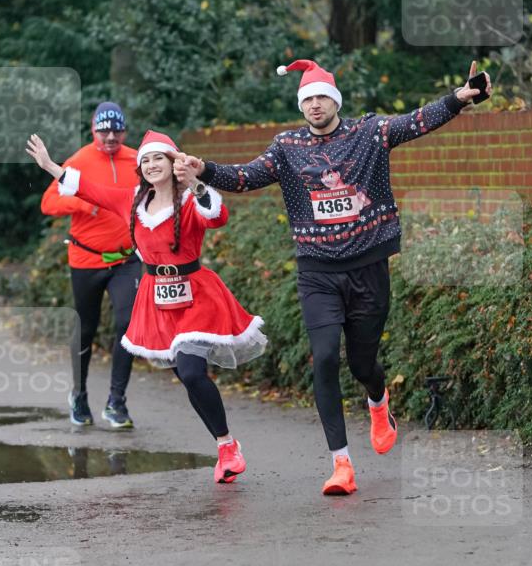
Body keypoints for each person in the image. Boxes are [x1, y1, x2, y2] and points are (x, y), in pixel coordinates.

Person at [174, 59, 492, 496]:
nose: (315, 105)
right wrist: (204, 169)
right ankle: (341, 464)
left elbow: (417, 121)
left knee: (362, 363)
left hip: (367, 267)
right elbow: (246, 177)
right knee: (323, 357)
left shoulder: (368, 133)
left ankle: (378, 404)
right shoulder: (287, 148)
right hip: (317, 272)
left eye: (322, 97)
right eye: (307, 99)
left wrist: (458, 97)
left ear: (335, 100)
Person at [27, 129, 267, 485]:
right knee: (186, 376)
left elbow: (217, 217)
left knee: (189, 371)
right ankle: (224, 445)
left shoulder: (189, 200)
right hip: (157, 299)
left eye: (159, 158)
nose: (152, 165)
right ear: (141, 169)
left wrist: (198, 183)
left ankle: (228, 448)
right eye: (146, 160)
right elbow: (91, 190)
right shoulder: (133, 202)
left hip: (196, 295)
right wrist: (50, 166)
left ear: (173, 163)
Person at [40, 102, 140, 428]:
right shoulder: (79, 161)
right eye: (103, 130)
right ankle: (79, 394)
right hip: (86, 259)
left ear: (124, 131)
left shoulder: (137, 158)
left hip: (126, 259)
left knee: (128, 324)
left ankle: (117, 402)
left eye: (117, 130)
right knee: (85, 329)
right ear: (93, 130)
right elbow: (48, 203)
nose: (111, 137)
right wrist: (83, 201)